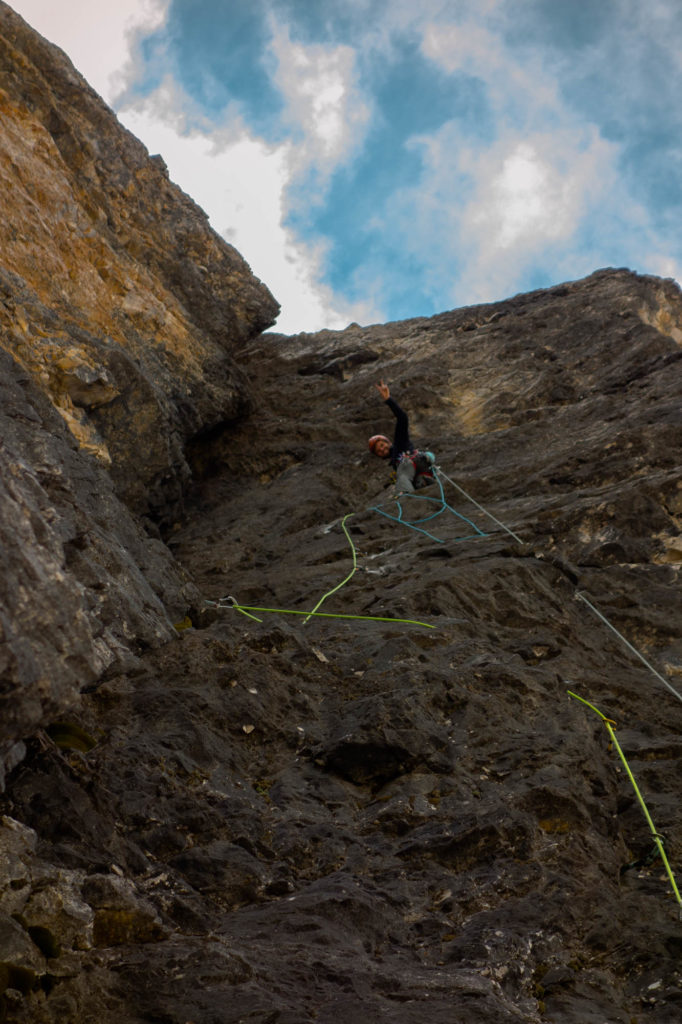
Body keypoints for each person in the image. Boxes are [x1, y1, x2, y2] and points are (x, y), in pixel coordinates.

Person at [368, 380, 435, 492]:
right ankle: (423, 482)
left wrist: (388, 399)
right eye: (379, 451)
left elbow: (402, 418)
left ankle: (407, 497)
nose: (382, 449)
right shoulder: (394, 460)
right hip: (421, 469)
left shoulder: (399, 442)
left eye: (382, 445)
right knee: (417, 484)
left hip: (410, 462)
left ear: (388, 442)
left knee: (402, 478)